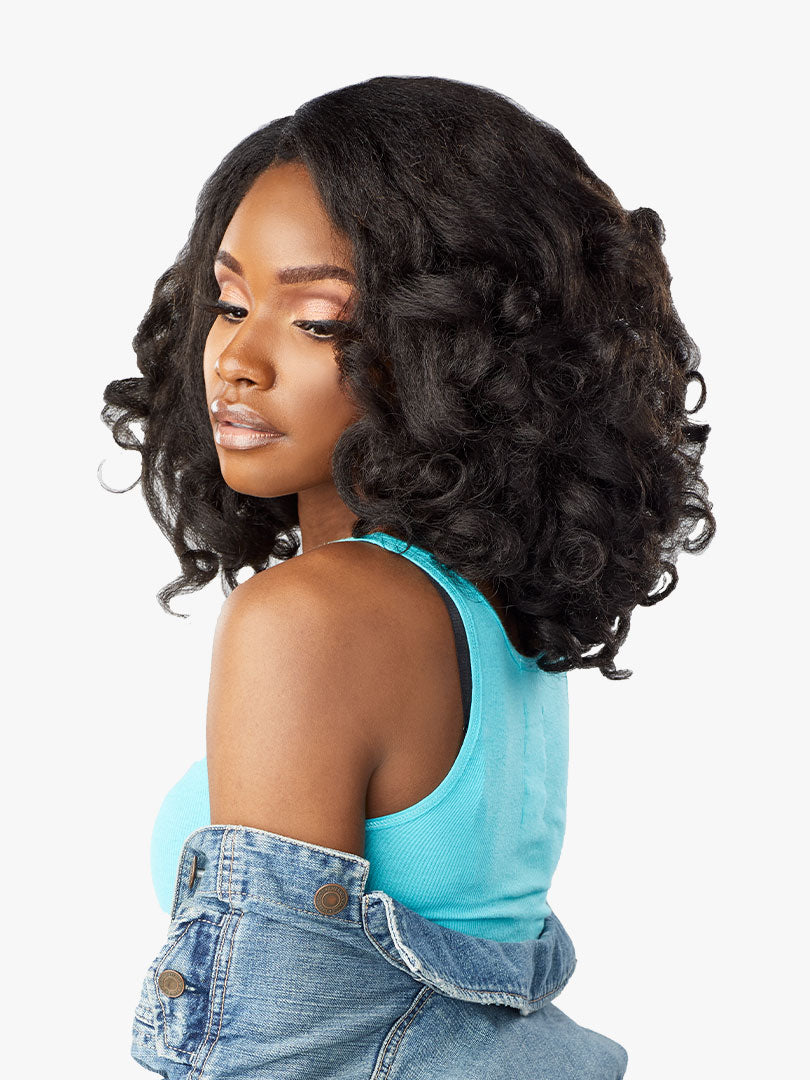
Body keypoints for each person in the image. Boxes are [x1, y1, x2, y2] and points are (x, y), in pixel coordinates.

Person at [101, 74, 714, 1078]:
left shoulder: (315, 615)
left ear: (455, 352)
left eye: (317, 322)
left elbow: (266, 1055)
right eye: (231, 303)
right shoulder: (480, 610)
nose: (237, 359)